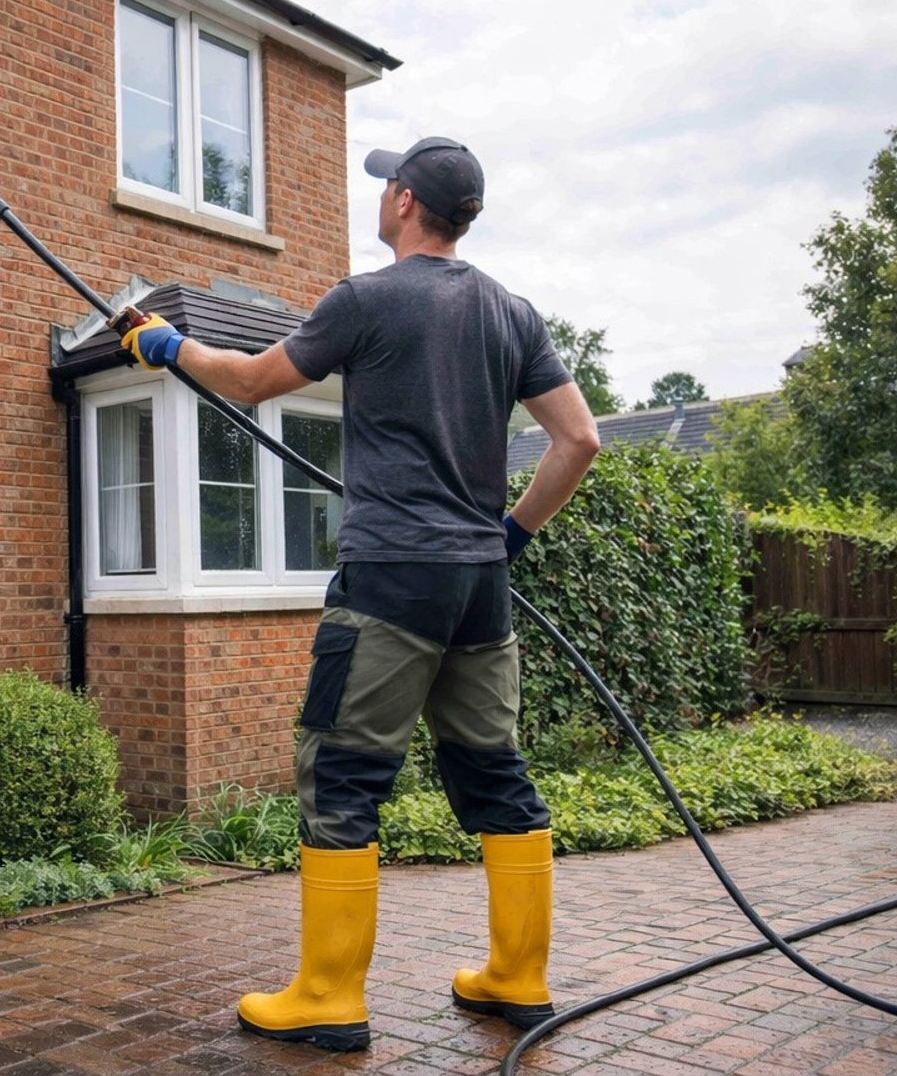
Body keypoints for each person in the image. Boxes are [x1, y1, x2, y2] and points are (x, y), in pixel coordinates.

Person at [117, 136, 601, 1053]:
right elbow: (578, 442)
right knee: (495, 773)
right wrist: (510, 537)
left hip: (388, 579)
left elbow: (258, 381)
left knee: (342, 777)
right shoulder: (514, 313)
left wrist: (169, 345)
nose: (379, 199)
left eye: (387, 188)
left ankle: (330, 996)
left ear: (407, 202)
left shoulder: (366, 299)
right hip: (479, 590)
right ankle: (518, 979)